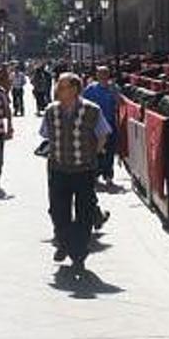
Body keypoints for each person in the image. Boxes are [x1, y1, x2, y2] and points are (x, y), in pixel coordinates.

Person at [40, 72, 111, 272]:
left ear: (74, 89)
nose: (57, 90)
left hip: (83, 170)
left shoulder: (92, 110)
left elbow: (103, 134)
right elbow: (46, 134)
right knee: (57, 211)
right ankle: (63, 242)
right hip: (58, 169)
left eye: (61, 87)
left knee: (84, 213)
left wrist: (92, 153)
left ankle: (78, 253)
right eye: (57, 87)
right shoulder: (50, 110)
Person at [82, 66, 121, 191]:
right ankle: (95, 176)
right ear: (97, 75)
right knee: (96, 151)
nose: (103, 76)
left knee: (109, 152)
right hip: (95, 125)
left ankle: (108, 177)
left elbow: (119, 103)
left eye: (105, 73)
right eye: (101, 73)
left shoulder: (113, 88)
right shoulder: (90, 89)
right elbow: (83, 104)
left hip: (110, 125)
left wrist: (114, 92)